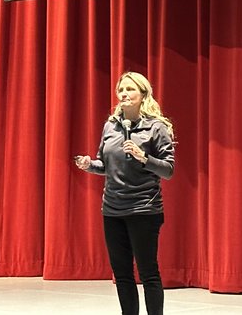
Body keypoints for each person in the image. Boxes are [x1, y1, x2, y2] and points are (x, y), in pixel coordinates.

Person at [74, 71, 175, 315]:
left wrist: (144, 157)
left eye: (130, 89)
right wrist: (89, 165)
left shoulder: (156, 127)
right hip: (112, 210)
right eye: (121, 90)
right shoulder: (111, 125)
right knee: (122, 274)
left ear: (143, 94)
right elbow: (105, 164)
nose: (124, 94)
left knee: (148, 273)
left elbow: (168, 170)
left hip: (144, 209)